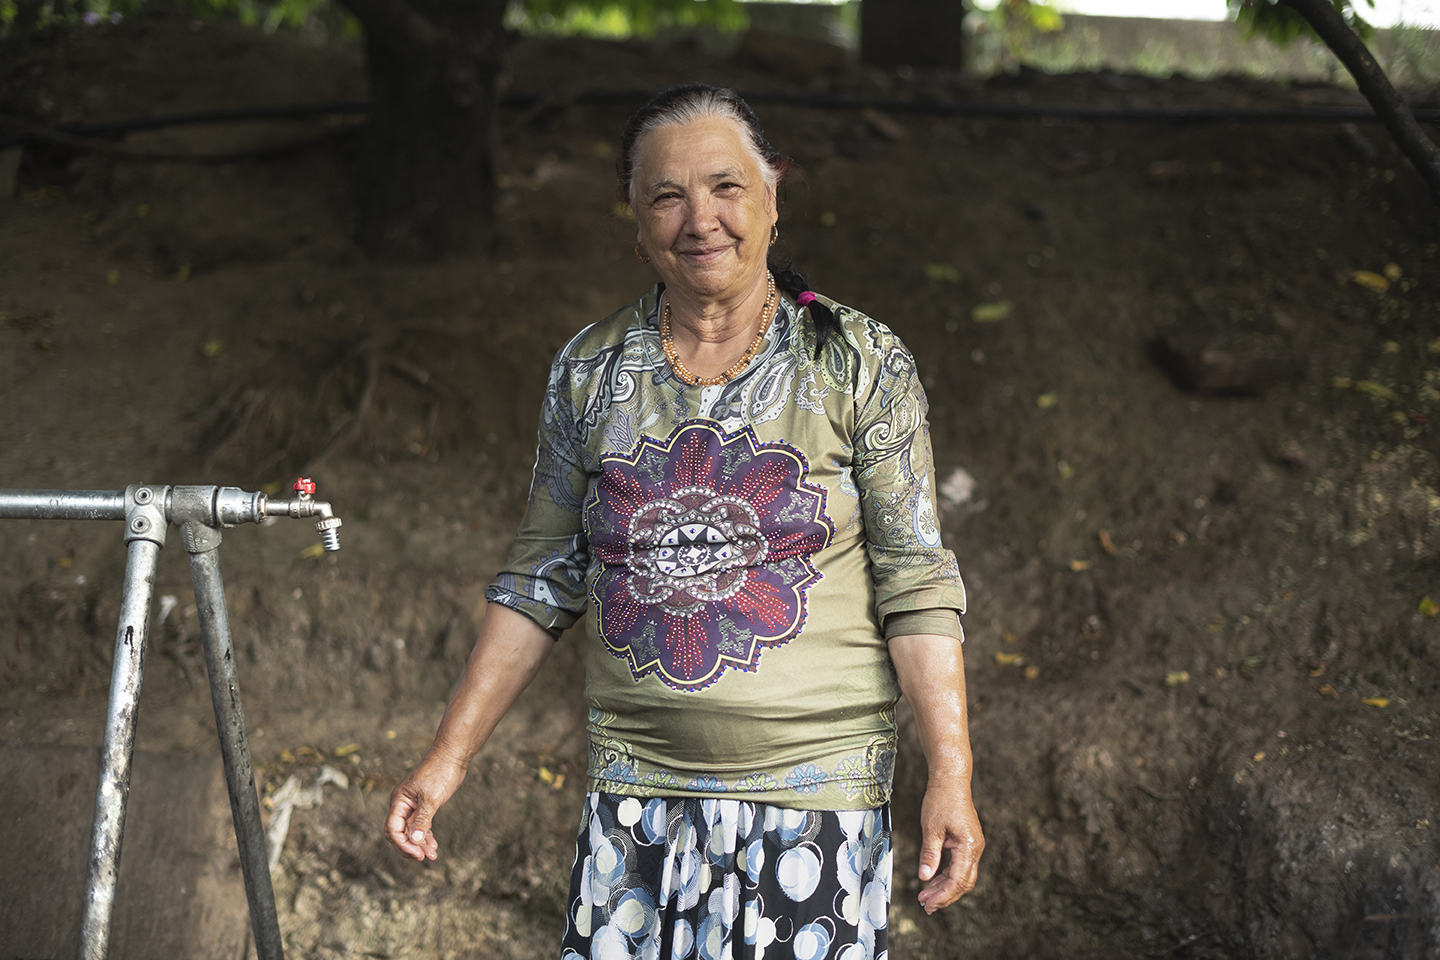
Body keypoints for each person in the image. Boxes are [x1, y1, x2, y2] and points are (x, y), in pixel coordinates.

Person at [386, 83, 983, 958]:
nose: (700, 217)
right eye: (666, 196)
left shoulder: (857, 362)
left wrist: (950, 774)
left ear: (773, 198)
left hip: (815, 806)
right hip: (635, 802)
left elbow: (915, 580)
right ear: (636, 226)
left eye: (725, 187)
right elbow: (540, 577)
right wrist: (448, 758)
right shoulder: (589, 371)